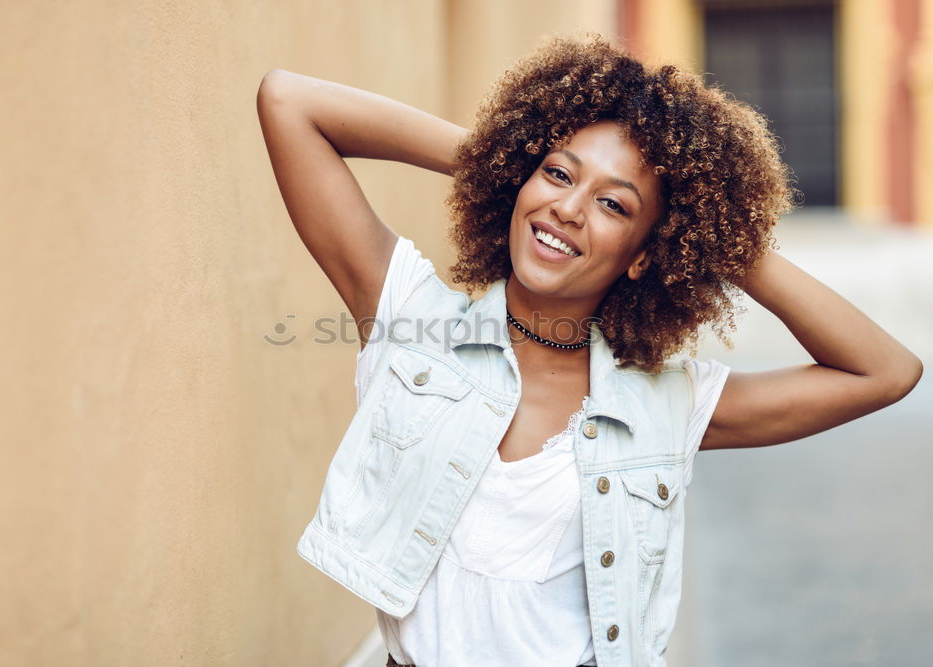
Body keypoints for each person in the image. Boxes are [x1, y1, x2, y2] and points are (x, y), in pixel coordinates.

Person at [256, 35, 922, 667]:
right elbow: (289, 103)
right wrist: (501, 163)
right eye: (556, 173)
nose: (569, 208)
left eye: (611, 203)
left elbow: (886, 371)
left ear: (643, 255)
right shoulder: (411, 320)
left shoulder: (665, 404)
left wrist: (720, 239)